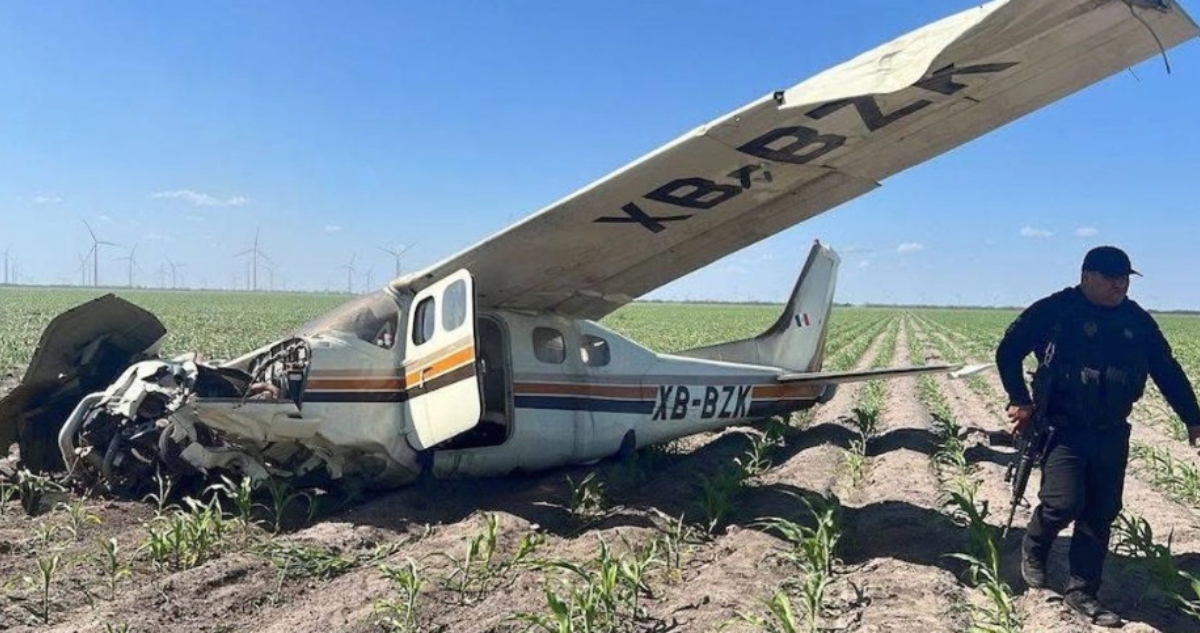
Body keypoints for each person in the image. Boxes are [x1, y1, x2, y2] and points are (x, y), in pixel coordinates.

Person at [995, 245, 1200, 627]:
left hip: (1111, 430)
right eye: (1111, 278)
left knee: (1101, 512)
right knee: (1063, 503)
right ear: (1087, 276)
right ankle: (1036, 545)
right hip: (1064, 427)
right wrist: (1019, 400)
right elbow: (1008, 351)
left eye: (1124, 279)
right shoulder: (1056, 310)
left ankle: (1083, 592)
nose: (1119, 285)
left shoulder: (1136, 320)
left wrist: (1193, 417)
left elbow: (1166, 368)